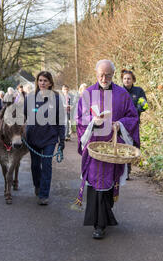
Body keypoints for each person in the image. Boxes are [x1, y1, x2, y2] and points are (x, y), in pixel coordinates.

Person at [76, 60, 140, 239]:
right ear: (96, 74)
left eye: (108, 75)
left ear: (114, 74)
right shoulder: (88, 93)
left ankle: (106, 215)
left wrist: (119, 124)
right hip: (94, 148)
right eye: (101, 75)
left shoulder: (122, 94)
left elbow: (132, 117)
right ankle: (99, 225)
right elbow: (80, 118)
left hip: (114, 147)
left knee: (109, 184)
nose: (104, 78)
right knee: (97, 184)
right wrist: (92, 123)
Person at [24, 71, 65, 205]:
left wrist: (62, 140)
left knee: (46, 165)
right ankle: (37, 185)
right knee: (35, 166)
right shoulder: (30, 98)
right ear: (37, 82)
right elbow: (23, 117)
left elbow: (60, 120)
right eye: (40, 80)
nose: (42, 83)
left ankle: (44, 195)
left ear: (50, 83)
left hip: (50, 138)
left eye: (45, 81)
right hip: (33, 137)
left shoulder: (57, 99)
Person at [121, 69, 148, 180]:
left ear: (133, 80)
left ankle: (128, 168)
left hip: (134, 124)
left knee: (131, 146)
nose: (127, 80)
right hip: (121, 123)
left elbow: (144, 105)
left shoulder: (139, 91)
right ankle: (123, 170)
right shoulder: (119, 91)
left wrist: (136, 110)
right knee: (122, 145)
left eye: (129, 79)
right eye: (125, 79)